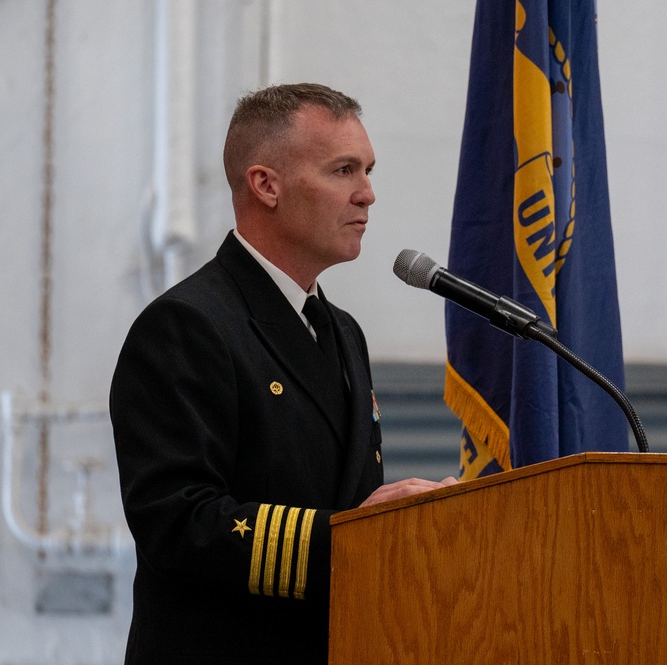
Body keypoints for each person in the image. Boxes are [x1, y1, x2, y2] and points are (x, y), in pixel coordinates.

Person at [110, 83, 455, 665]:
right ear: (266, 185)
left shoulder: (341, 331)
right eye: (343, 170)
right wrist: (350, 534)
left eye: (368, 170)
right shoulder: (187, 326)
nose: (367, 194)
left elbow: (345, 492)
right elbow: (178, 523)